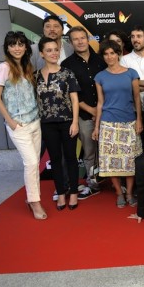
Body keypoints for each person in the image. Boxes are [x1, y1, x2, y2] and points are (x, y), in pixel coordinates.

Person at [0, 31, 46, 220]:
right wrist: (10, 121)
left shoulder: (27, 66)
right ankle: (34, 201)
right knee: (30, 162)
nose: (17, 48)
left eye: (20, 44)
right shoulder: (3, 68)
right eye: (13, 45)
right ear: (7, 48)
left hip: (34, 121)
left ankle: (33, 197)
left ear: (26, 47)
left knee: (34, 164)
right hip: (19, 124)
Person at [92, 40, 143, 209]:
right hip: (108, 123)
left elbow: (137, 98)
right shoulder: (99, 76)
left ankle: (129, 193)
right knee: (110, 161)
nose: (109, 57)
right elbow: (100, 102)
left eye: (112, 53)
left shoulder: (131, 73)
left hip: (129, 122)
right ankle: (119, 193)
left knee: (130, 161)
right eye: (106, 54)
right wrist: (97, 127)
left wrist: (139, 120)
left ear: (118, 54)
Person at [61, 26, 107, 200]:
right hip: (84, 116)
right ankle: (93, 184)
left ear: (88, 39)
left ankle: (114, 181)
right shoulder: (66, 66)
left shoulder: (102, 60)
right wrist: (91, 110)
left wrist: (101, 111)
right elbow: (70, 95)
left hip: (107, 114)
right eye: (76, 39)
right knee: (89, 152)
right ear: (71, 42)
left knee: (109, 149)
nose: (80, 41)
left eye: (82, 38)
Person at [35, 36, 80, 211]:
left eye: (56, 50)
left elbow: (74, 100)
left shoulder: (67, 73)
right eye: (49, 50)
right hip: (46, 124)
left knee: (70, 158)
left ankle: (74, 192)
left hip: (67, 121)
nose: (53, 53)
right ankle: (61, 193)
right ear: (41, 53)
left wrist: (75, 122)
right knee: (55, 159)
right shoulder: (36, 76)